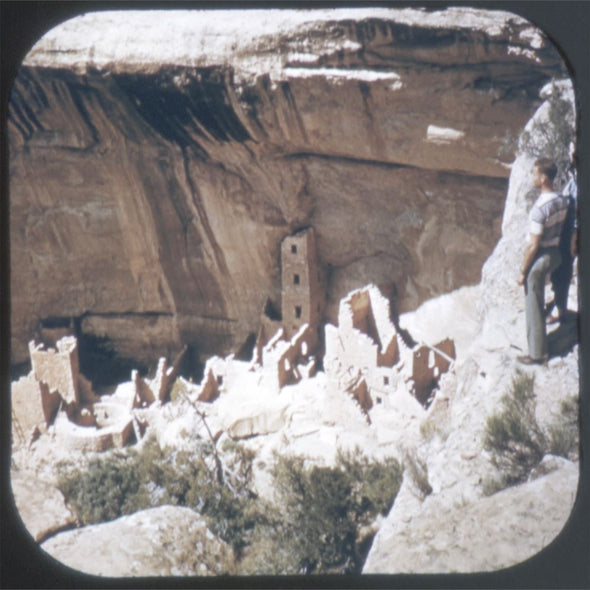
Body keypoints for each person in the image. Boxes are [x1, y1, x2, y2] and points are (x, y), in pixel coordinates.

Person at [517, 158, 569, 365]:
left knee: (534, 303)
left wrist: (523, 271)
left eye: (534, 174)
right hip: (556, 253)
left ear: (543, 178)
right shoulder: (561, 199)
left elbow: (533, 245)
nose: (532, 178)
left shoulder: (540, 208)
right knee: (538, 298)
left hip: (541, 256)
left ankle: (537, 354)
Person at [547, 146, 578, 324]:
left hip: (573, 233)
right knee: (560, 269)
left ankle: (561, 309)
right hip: (567, 231)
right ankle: (559, 303)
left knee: (564, 269)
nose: (571, 155)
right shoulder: (574, 175)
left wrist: (573, 237)